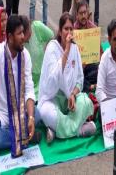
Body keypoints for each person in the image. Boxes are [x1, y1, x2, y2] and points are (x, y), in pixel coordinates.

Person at [0, 15, 39, 157]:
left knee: (38, 114)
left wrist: (30, 118)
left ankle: (9, 138)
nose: (23, 37)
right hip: (1, 112)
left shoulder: (25, 55)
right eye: (19, 34)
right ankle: (23, 138)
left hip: (20, 110)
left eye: (23, 32)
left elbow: (29, 89)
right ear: (10, 37)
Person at [38, 12, 96, 144]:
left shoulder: (75, 48)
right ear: (59, 31)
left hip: (69, 100)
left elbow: (80, 79)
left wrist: (74, 95)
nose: (68, 32)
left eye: (71, 29)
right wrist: (67, 50)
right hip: (52, 99)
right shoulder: (52, 48)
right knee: (46, 113)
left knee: (86, 102)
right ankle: (79, 130)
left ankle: (56, 131)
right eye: (66, 29)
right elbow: (52, 81)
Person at [19, 15, 54, 97]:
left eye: (29, 31)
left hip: (42, 77)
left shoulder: (37, 27)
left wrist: (47, 51)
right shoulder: (18, 40)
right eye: (25, 34)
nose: (29, 35)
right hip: (27, 81)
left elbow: (52, 36)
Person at [74, 0, 101, 93]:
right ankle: (91, 87)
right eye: (81, 13)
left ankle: (89, 86)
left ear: (88, 13)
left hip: (91, 67)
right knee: (73, 77)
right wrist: (80, 66)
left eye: (85, 13)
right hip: (78, 67)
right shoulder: (73, 32)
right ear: (76, 15)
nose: (83, 16)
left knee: (100, 72)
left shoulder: (93, 29)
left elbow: (100, 52)